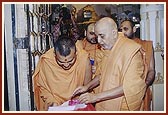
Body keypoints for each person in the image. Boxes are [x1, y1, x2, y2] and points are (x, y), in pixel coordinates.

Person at [71, 17, 148, 111]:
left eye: (102, 36)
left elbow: (129, 86)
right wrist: (87, 87)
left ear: (114, 33)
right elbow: (102, 76)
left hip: (122, 106)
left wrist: (96, 97)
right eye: (97, 36)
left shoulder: (131, 51)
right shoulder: (107, 49)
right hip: (104, 103)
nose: (98, 41)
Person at [33, 36, 92, 111]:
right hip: (55, 105)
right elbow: (43, 88)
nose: (66, 65)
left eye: (70, 61)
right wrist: (52, 103)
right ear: (55, 54)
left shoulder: (83, 58)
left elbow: (87, 87)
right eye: (61, 62)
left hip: (76, 105)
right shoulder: (47, 61)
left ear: (76, 53)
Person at [120, 19, 155, 110]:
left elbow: (151, 70)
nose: (123, 32)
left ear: (134, 29)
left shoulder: (146, 45)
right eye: (121, 30)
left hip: (143, 91)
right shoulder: (118, 47)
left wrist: (144, 85)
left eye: (126, 29)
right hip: (122, 93)